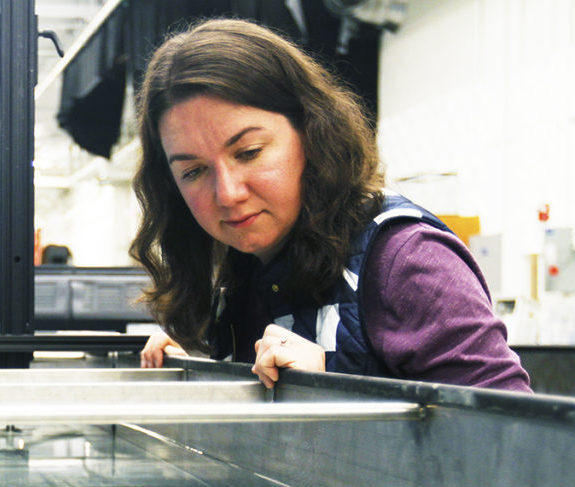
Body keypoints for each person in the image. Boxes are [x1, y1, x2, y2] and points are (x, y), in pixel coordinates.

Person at [131, 18, 530, 392]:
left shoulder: (406, 260)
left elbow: (513, 443)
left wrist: (335, 393)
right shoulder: (242, 271)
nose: (228, 193)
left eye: (249, 152)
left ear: (311, 132)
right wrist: (199, 358)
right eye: (194, 172)